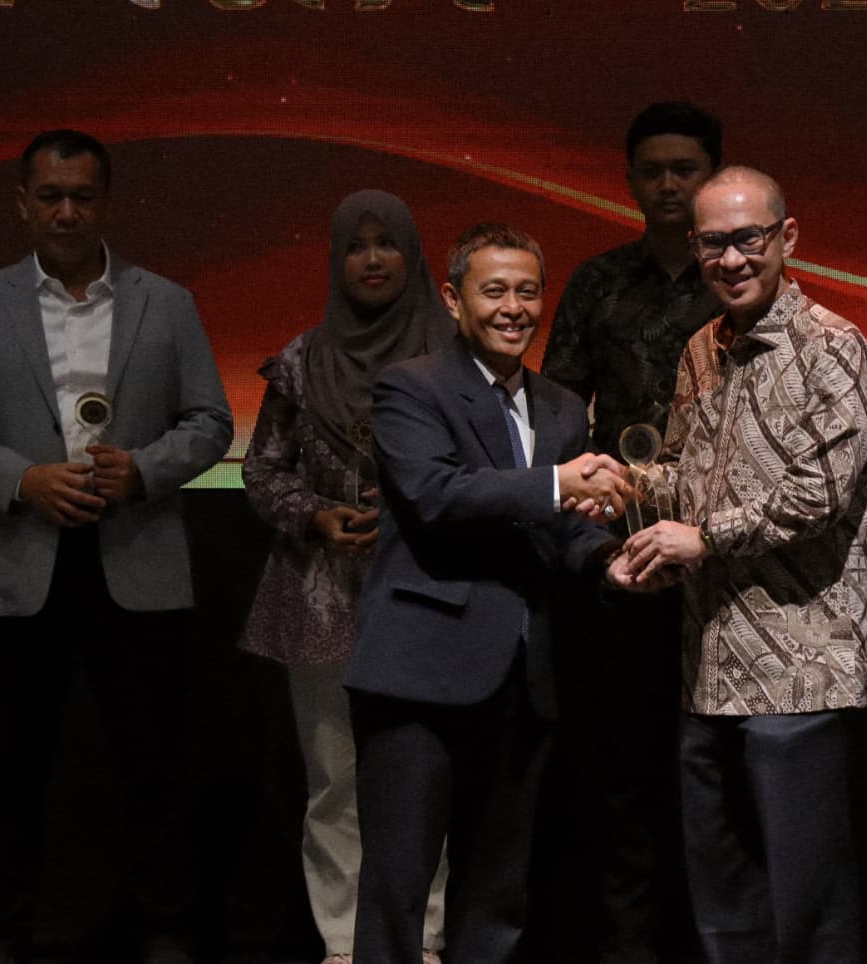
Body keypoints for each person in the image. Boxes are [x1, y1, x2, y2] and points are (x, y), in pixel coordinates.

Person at [0, 129, 233, 964]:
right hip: (19, 559)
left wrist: (144, 471)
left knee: (154, 762)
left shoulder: (169, 302)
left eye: (82, 196)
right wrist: (22, 478)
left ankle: (164, 929)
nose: (66, 212)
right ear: (22, 203)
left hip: (136, 557)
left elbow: (212, 421)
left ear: (107, 203)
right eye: (50, 196)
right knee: (5, 767)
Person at [614, 166, 867, 963]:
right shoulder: (702, 348)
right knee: (722, 886)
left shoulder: (833, 347)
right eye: (712, 243)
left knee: (807, 891)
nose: (730, 259)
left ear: (785, 237)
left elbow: (819, 494)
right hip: (709, 662)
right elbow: (682, 471)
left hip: (800, 666)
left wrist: (702, 539)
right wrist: (623, 486)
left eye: (747, 239)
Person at [344, 223, 634, 964]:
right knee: (398, 886)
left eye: (528, 292)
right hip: (419, 674)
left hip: (523, 678)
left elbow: (564, 529)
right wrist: (557, 482)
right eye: (494, 290)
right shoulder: (410, 386)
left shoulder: (562, 407)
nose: (514, 308)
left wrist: (611, 560)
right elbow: (436, 494)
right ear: (453, 299)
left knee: (497, 891)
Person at [239, 190, 453, 964]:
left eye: (386, 243)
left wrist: (410, 512)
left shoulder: (454, 358)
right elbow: (263, 471)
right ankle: (342, 941)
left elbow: (484, 464)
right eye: (356, 246)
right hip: (322, 590)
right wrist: (316, 515)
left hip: (428, 588)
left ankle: (422, 937)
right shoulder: (301, 361)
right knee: (335, 775)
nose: (372, 259)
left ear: (413, 255)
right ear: (336, 260)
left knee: (426, 773)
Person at [540, 100, 722, 963]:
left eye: (685, 169)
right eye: (653, 171)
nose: (669, 184)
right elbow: (556, 411)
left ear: (711, 177)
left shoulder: (740, 283)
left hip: (723, 554)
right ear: (630, 182)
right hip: (618, 553)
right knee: (622, 764)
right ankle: (628, 947)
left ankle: (714, 940)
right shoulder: (598, 282)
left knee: (714, 763)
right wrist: (586, 517)